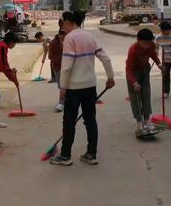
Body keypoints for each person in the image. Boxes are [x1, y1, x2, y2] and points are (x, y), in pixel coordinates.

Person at [50, 10, 115, 166]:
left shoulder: (69, 38)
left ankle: (65, 156)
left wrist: (63, 87)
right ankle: (91, 154)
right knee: (90, 121)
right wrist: (110, 77)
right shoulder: (89, 37)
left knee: (69, 122)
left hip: (74, 88)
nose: (62, 26)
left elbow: (66, 67)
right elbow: (105, 58)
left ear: (68, 22)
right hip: (90, 86)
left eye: (62, 23)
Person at [126, 29, 162, 134]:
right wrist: (134, 83)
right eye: (144, 43)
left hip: (145, 70)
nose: (146, 46)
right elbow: (129, 70)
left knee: (146, 94)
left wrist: (159, 64)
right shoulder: (133, 50)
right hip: (133, 72)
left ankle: (147, 120)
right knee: (135, 97)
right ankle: (139, 122)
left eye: (148, 43)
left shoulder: (151, 45)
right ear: (138, 40)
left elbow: (153, 55)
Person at [48, 29, 66, 112]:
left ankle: (62, 102)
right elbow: (50, 56)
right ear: (59, 35)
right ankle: (62, 102)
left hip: (67, 66)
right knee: (61, 85)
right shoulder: (53, 43)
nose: (64, 37)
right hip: (57, 66)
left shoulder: (68, 42)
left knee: (64, 85)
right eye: (63, 36)